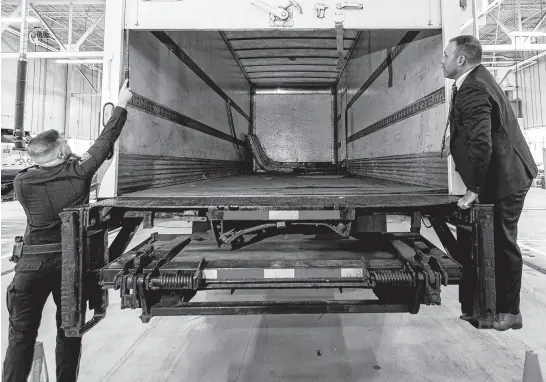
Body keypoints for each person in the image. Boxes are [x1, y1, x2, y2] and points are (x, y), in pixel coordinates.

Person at [3, 79, 133, 381]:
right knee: (68, 332)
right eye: (65, 143)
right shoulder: (79, 174)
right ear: (61, 151)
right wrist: (121, 103)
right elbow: (105, 140)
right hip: (68, 265)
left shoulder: (23, 183)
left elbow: (76, 157)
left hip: (30, 267)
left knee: (19, 339)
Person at [441, 35, 538, 331]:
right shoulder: (477, 81)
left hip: (506, 180)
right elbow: (476, 131)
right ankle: (483, 307)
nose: (442, 60)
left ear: (461, 59)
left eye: (446, 55)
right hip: (500, 177)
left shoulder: (473, 87)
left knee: (503, 242)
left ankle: (511, 312)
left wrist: (474, 190)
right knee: (487, 243)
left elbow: (482, 143)